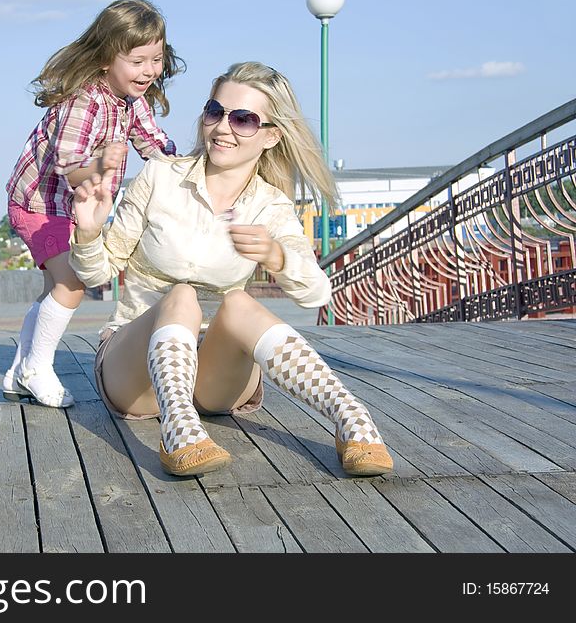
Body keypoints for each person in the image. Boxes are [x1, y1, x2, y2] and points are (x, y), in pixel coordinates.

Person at [70, 62, 394, 478]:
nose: (223, 128)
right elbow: (98, 273)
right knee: (182, 295)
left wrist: (278, 257)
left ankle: (351, 417)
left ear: (271, 135)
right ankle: (179, 428)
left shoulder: (271, 206)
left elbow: (315, 294)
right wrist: (89, 232)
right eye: (214, 112)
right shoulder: (159, 177)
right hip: (135, 374)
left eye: (243, 119)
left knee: (239, 302)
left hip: (217, 377)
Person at [3, 0, 183, 408]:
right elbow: (68, 166)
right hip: (39, 203)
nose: (150, 71)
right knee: (72, 283)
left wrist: (187, 171)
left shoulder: (132, 102)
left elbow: (154, 144)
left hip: (70, 208)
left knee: (55, 287)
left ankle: (19, 370)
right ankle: (37, 367)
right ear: (106, 59)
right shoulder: (84, 101)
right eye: (138, 61)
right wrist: (101, 162)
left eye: (156, 59)